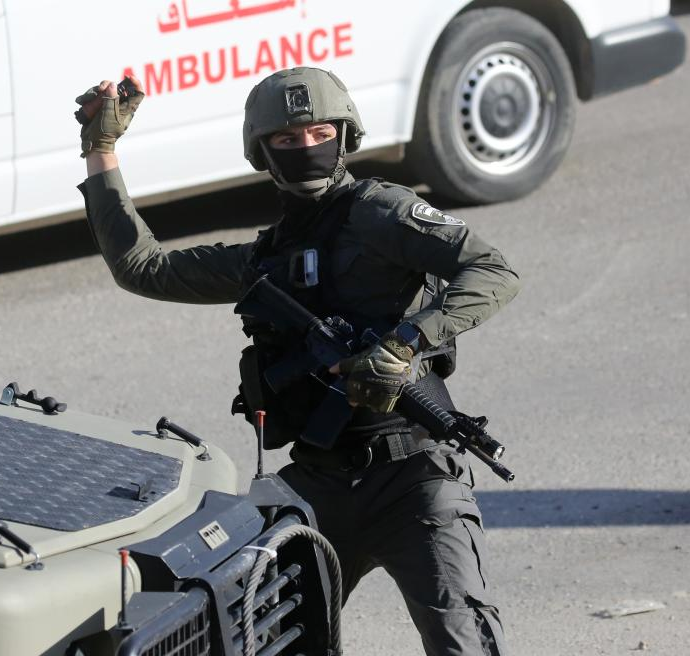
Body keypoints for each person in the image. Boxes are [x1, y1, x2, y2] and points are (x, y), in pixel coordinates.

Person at [75, 67, 520, 655]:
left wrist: (406, 342)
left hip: (414, 477)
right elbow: (143, 268)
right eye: (287, 139)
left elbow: (492, 270)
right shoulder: (265, 257)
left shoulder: (382, 212)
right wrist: (101, 148)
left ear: (345, 135)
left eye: (320, 133)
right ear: (262, 152)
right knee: (257, 639)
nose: (306, 147)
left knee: (462, 640)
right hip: (316, 485)